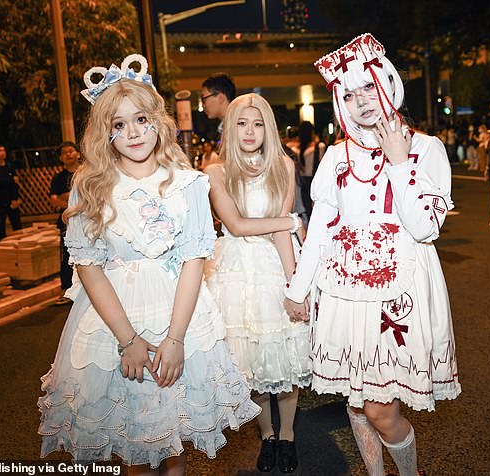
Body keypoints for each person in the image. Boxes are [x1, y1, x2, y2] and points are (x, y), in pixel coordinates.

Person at [37, 54, 260, 474]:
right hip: (113, 323)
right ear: (105, 134)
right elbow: (88, 267)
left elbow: (194, 260)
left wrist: (175, 339)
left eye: (140, 119)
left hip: (178, 314)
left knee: (171, 441)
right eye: (118, 125)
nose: (132, 133)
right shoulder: (88, 186)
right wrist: (127, 339)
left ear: (158, 121)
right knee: (132, 447)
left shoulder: (189, 183)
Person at [283, 34, 461, 476]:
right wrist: (298, 288)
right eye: (349, 93)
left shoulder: (425, 148)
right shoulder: (336, 155)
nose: (361, 100)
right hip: (343, 290)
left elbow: (425, 228)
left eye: (369, 86)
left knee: (381, 410)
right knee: (356, 402)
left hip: (399, 293)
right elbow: (323, 228)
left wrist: (400, 162)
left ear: (388, 82)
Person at [204, 93, 311, 474]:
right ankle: (267, 435)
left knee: (283, 360)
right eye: (242, 124)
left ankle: (288, 438)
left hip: (270, 265)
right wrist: (286, 222)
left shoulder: (283, 163)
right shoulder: (215, 171)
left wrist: (294, 286)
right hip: (232, 271)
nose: (250, 132)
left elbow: (283, 234)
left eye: (258, 123)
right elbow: (235, 226)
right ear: (230, 129)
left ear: (269, 127)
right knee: (250, 365)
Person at [49, 141, 80, 303]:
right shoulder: (58, 178)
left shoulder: (85, 174)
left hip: (87, 218)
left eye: (71, 151)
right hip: (67, 221)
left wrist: (68, 197)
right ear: (61, 158)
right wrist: (71, 206)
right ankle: (66, 290)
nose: (68, 154)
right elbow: (53, 199)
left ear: (78, 154)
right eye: (64, 153)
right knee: (67, 254)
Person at [290, 121, 326, 219]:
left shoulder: (296, 148)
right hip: (315, 180)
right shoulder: (319, 146)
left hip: (302, 182)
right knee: (317, 209)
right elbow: (322, 165)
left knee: (308, 210)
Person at [0, 144, 22, 240]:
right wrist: (10, 179)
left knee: (17, 225)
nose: (2, 153)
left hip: (11, 198)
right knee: (0, 226)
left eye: (3, 150)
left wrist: (15, 198)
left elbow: (15, 183)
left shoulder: (10, 166)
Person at [201, 72, 236, 141]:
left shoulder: (238, 125)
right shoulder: (225, 126)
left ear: (220, 98)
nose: (203, 105)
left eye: (204, 99)